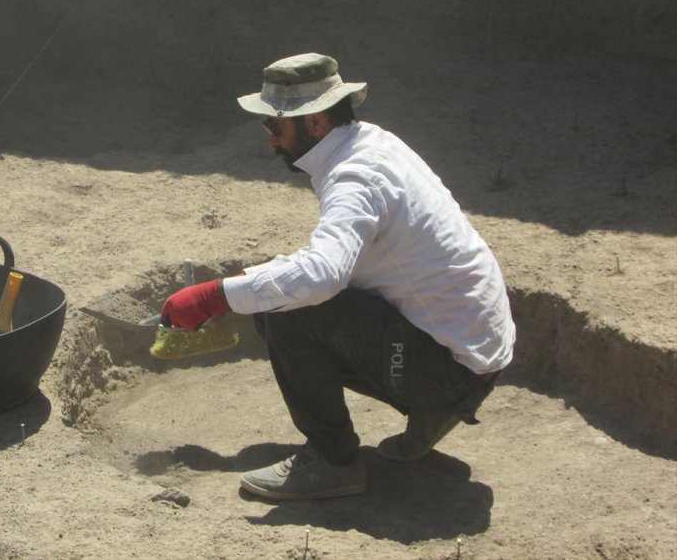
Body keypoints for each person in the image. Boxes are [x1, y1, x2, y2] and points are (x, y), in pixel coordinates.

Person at [160, 53, 516, 500]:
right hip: (470, 353)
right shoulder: (371, 143)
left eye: (275, 126)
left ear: (316, 122)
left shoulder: (355, 176)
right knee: (279, 296)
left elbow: (322, 278)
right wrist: (245, 285)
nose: (270, 141)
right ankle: (435, 409)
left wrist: (214, 295)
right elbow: (336, 266)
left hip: (451, 367)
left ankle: (334, 461)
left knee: (290, 313)